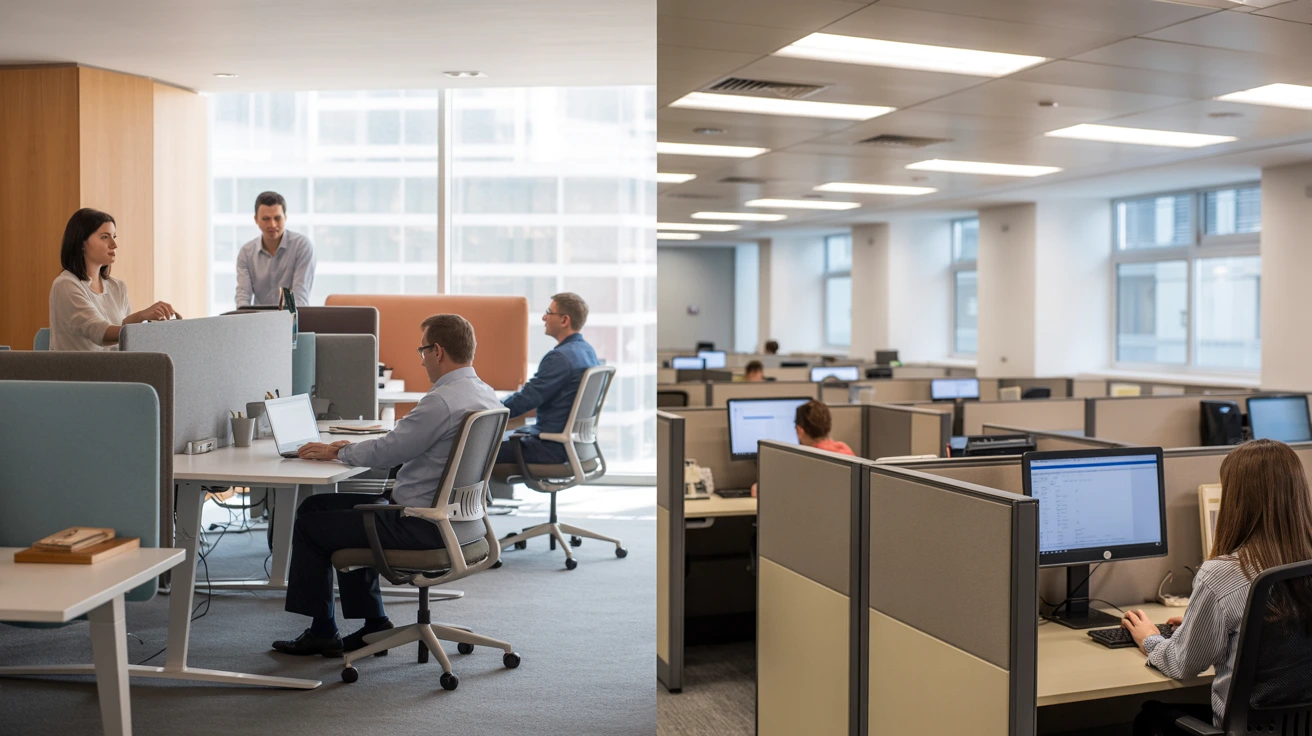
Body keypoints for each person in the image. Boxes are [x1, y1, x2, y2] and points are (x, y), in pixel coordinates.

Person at [271, 314, 500, 656]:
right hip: (461, 523)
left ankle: (322, 632)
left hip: (420, 526)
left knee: (310, 526)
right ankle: (374, 624)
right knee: (319, 507)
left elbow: (389, 450)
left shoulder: (442, 401)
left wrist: (339, 451)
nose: (421, 359)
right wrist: (344, 450)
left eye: (423, 350)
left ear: (438, 351)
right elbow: (402, 444)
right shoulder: (484, 393)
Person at [1121, 439, 1312, 734]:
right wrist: (1207, 624)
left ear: (1236, 499)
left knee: (1149, 717)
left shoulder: (1222, 574)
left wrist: (1150, 639)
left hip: (1248, 729)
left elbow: (1182, 665)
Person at [49, 208, 180, 351]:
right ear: (81, 243)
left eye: (114, 237)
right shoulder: (65, 285)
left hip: (115, 368)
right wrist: (142, 315)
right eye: (105, 237)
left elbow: (124, 334)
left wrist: (155, 326)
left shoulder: (117, 286)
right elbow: (100, 333)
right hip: (80, 371)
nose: (114, 244)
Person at [496, 292, 601, 469]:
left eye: (549, 312)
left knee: (474, 451)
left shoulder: (560, 358)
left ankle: (464, 497)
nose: (544, 317)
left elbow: (525, 399)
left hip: (550, 448)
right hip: (575, 445)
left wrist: (489, 409)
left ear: (564, 320)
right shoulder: (587, 352)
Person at [752, 400, 854, 497]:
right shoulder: (845, 450)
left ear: (799, 430)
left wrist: (760, 487)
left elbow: (771, 491)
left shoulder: (806, 462)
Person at [235, 191, 317, 308]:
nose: (272, 224)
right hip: (258, 321)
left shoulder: (302, 246)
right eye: (266, 219)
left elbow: (300, 297)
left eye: (277, 218)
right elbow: (243, 297)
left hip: (291, 320)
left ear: (285, 217)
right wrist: (242, 322)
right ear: (256, 219)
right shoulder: (246, 253)